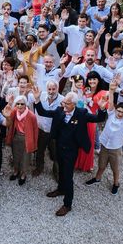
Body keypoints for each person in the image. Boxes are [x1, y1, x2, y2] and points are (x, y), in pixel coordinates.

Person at [32, 88, 107, 216]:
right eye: (64, 103)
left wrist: (102, 109)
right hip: (59, 147)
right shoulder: (59, 111)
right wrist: (37, 99)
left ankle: (67, 204)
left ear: (73, 104)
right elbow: (42, 111)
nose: (63, 105)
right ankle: (61, 189)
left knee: (68, 177)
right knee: (61, 170)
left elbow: (98, 118)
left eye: (66, 103)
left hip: (71, 151)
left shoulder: (82, 113)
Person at [85, 78, 123, 194]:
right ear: (116, 110)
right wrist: (111, 90)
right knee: (101, 164)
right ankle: (97, 178)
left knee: (115, 168)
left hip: (115, 148)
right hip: (104, 145)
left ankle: (116, 183)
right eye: (119, 111)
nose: (120, 113)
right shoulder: (111, 113)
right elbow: (111, 101)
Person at [74, 71, 108, 172]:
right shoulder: (84, 89)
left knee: (88, 143)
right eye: (90, 79)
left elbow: (108, 95)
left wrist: (112, 90)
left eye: (94, 79)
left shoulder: (101, 92)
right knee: (78, 140)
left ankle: (86, 165)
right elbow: (76, 86)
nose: (92, 81)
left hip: (91, 120)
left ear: (98, 80)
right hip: (81, 118)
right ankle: (76, 162)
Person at [5, 95, 39, 185]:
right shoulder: (14, 112)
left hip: (27, 139)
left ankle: (23, 174)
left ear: (26, 104)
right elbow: (7, 117)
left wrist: (35, 145)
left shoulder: (31, 116)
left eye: (22, 104)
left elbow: (35, 130)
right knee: (16, 156)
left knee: (25, 158)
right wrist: (9, 103)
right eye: (18, 104)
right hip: (16, 137)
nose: (20, 106)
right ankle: (16, 172)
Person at [33, 79, 64, 178]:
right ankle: (39, 168)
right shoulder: (40, 96)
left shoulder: (62, 100)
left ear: (57, 89)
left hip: (55, 132)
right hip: (41, 130)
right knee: (40, 151)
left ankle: (57, 172)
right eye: (49, 89)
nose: (51, 91)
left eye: (53, 89)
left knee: (56, 153)